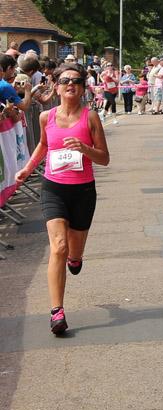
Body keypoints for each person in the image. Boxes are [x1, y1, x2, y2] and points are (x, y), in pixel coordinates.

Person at [15, 64, 111, 336]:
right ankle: (57, 311)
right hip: (54, 188)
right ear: (56, 86)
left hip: (82, 192)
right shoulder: (46, 116)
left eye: (77, 81)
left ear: (83, 87)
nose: (71, 84)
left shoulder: (90, 117)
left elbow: (104, 158)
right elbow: (44, 145)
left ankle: (76, 259)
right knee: (58, 246)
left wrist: (85, 148)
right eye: (65, 80)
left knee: (73, 251)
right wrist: (28, 168)